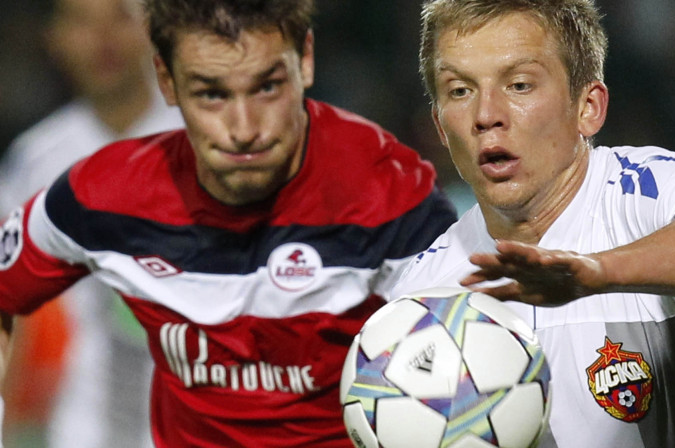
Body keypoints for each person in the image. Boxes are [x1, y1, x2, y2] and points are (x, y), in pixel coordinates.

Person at [0, 0, 458, 446]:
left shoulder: (390, 194)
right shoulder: (100, 194)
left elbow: (463, 350)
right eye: (212, 93)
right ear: (167, 80)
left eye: (267, 87)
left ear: (305, 60)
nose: (243, 128)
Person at [390, 1, 675, 447]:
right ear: (440, 126)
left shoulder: (651, 193)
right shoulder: (421, 298)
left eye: (519, 85)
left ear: (588, 107)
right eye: (460, 90)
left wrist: (598, 272)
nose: (486, 115)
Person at [0, 0, 184, 446]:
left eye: (118, 17)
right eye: (82, 21)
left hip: (193, 423)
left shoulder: (203, 144)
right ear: (55, 39)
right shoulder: (35, 161)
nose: (103, 39)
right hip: (75, 429)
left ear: (151, 29)